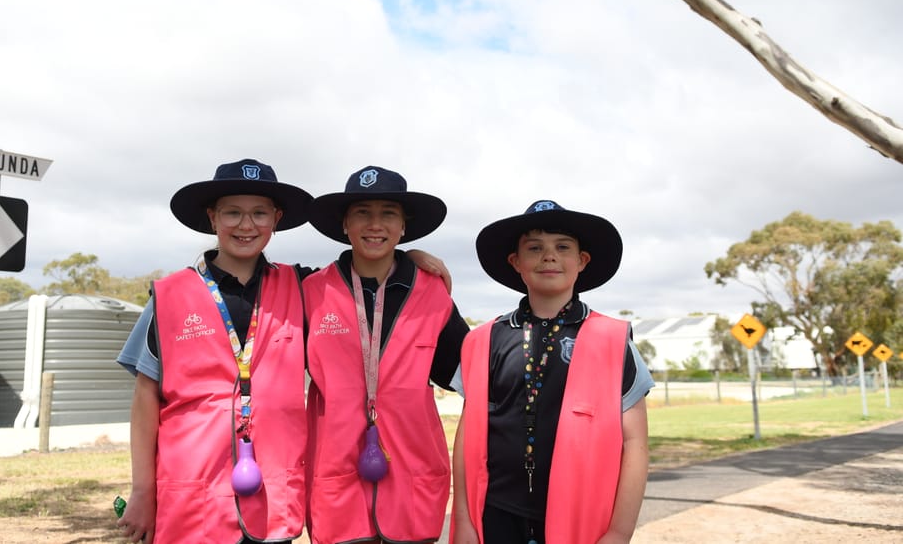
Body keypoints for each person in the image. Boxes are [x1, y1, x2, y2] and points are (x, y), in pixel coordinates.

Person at [115, 159, 452, 544]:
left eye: (259, 213)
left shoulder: (304, 288)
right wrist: (142, 491)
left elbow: (366, 276)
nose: (246, 225)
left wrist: (410, 258)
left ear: (276, 219)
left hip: (271, 503)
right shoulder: (170, 296)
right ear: (212, 217)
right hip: (192, 500)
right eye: (233, 212)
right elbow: (144, 398)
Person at [451, 200, 654, 544]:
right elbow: (468, 435)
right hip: (495, 514)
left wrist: (619, 532)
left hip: (582, 518)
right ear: (515, 261)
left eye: (562, 247)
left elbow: (635, 444)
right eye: (534, 248)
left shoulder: (612, 340)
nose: (549, 256)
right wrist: (464, 520)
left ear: (582, 261)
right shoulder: (484, 340)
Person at [301, 165, 470, 544]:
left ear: (404, 226)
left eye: (388, 214)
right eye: (362, 212)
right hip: (338, 485)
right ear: (345, 224)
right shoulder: (311, 291)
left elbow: (474, 380)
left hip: (412, 482)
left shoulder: (432, 293)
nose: (375, 224)